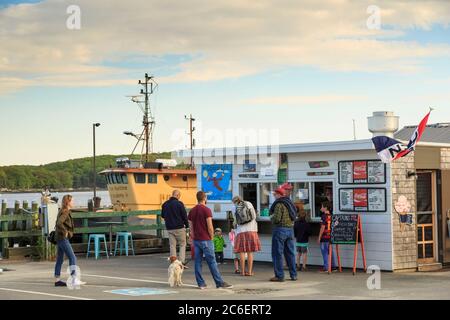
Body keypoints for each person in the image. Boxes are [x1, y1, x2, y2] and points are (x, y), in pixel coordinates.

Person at [188, 191, 233, 289]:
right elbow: (210, 226)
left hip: (196, 240)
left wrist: (192, 239)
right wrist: (212, 238)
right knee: (212, 261)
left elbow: (191, 228)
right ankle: (219, 282)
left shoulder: (192, 211)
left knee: (198, 262)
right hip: (206, 240)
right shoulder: (207, 210)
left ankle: (201, 283)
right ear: (204, 198)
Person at [54, 194, 85, 287]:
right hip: (63, 238)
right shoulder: (66, 211)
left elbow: (58, 222)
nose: (74, 202)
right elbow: (59, 223)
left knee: (59, 259)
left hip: (59, 238)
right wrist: (65, 232)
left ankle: (57, 280)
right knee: (72, 257)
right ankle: (73, 279)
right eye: (72, 201)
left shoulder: (61, 210)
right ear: (68, 202)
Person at [269, 187, 298, 282]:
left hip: (280, 230)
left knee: (277, 253)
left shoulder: (279, 204)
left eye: (275, 194)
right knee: (290, 253)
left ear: (279, 194)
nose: (274, 196)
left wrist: (271, 217)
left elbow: (277, 219)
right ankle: (293, 275)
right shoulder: (290, 203)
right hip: (290, 230)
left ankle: (279, 276)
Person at [232, 196, 261, 276]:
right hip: (251, 230)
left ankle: (243, 272)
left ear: (234, 202)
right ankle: (250, 272)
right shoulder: (248, 204)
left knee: (241, 252)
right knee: (250, 252)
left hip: (240, 231)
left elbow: (235, 222)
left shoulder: (234, 208)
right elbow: (254, 217)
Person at [161, 190, 189, 266]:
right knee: (182, 244)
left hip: (170, 228)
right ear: (178, 195)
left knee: (172, 245)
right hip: (179, 227)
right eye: (179, 196)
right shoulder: (180, 204)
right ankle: (181, 262)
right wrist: (187, 226)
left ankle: (173, 262)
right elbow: (184, 216)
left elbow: (163, 215)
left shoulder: (165, 204)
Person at [317, 201, 337, 273]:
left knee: (324, 252)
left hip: (324, 237)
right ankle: (333, 266)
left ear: (325, 208)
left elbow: (322, 227)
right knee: (331, 252)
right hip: (330, 236)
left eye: (322, 207)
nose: (320, 208)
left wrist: (319, 237)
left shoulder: (323, 216)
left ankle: (326, 267)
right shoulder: (331, 216)